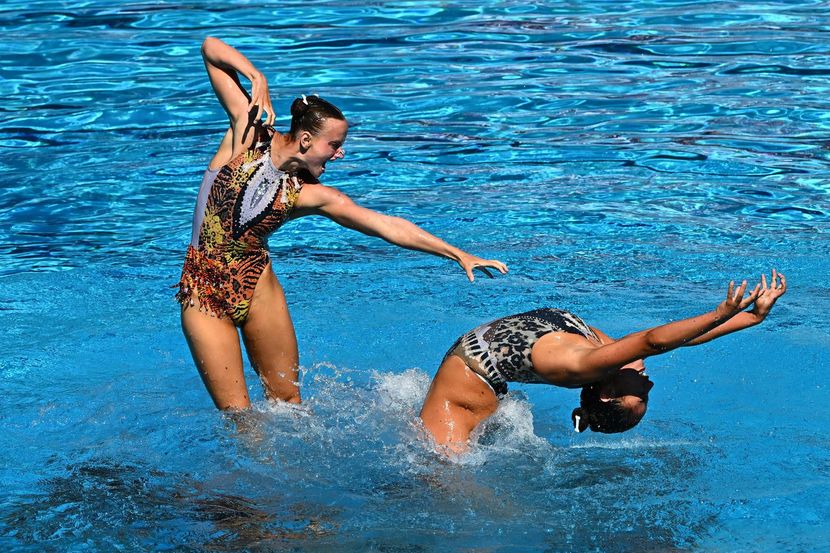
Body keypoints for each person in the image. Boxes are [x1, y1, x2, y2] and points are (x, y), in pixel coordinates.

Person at [176, 37, 508, 410]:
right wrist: (256, 76)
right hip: (204, 291)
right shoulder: (247, 133)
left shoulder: (310, 194)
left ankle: (292, 466)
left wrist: (456, 253)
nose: (340, 152)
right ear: (304, 140)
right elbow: (209, 47)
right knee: (238, 413)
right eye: (333, 145)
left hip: (258, 288)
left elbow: (385, 225)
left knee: (288, 400)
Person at [419, 270, 787, 453]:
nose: (649, 384)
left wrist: (719, 312)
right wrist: (751, 318)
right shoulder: (603, 355)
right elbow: (679, 343)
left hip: (466, 385)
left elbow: (654, 340)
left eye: (639, 393)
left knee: (440, 482)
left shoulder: (588, 365)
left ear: (608, 392)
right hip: (474, 365)